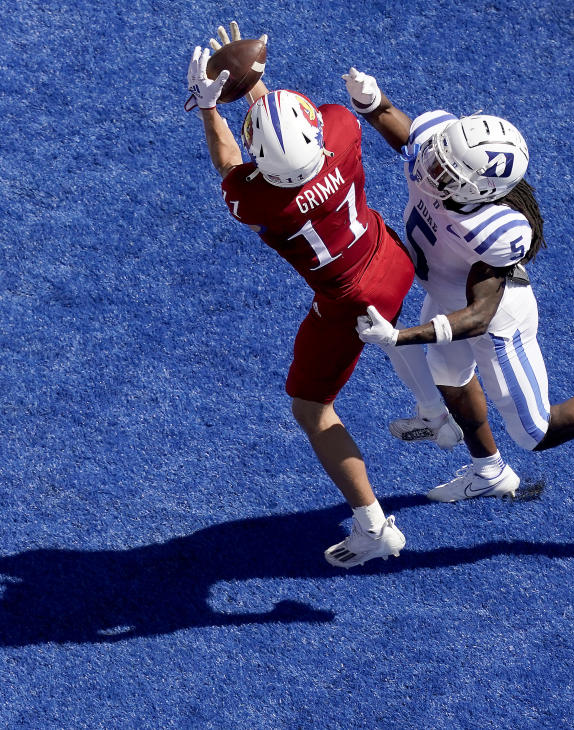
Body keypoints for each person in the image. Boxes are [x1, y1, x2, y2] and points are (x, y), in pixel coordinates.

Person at [187, 23, 457, 568]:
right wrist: (253, 79)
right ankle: (436, 413)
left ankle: (373, 526)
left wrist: (209, 106)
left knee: (312, 409)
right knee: (393, 327)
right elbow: (299, 121)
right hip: (390, 259)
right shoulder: (340, 128)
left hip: (348, 300)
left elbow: (230, 163)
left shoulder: (257, 201)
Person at [345, 68, 574, 501]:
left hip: (495, 323)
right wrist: (372, 101)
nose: (431, 167)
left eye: (447, 169)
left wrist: (400, 336)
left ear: (482, 189)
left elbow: (476, 318)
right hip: (443, 297)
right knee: (448, 378)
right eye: (440, 156)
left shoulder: (492, 230)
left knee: (536, 431)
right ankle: (489, 471)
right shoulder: (439, 157)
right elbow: (402, 132)